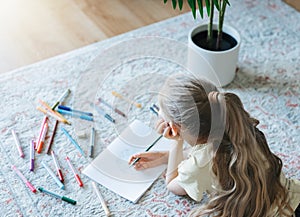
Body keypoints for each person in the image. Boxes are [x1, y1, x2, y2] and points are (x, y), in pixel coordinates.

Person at [128, 75, 300, 217]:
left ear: (173, 128)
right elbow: (204, 154)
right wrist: (164, 157)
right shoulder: (239, 127)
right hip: (293, 197)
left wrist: (175, 143)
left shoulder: (198, 166)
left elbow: (173, 184)